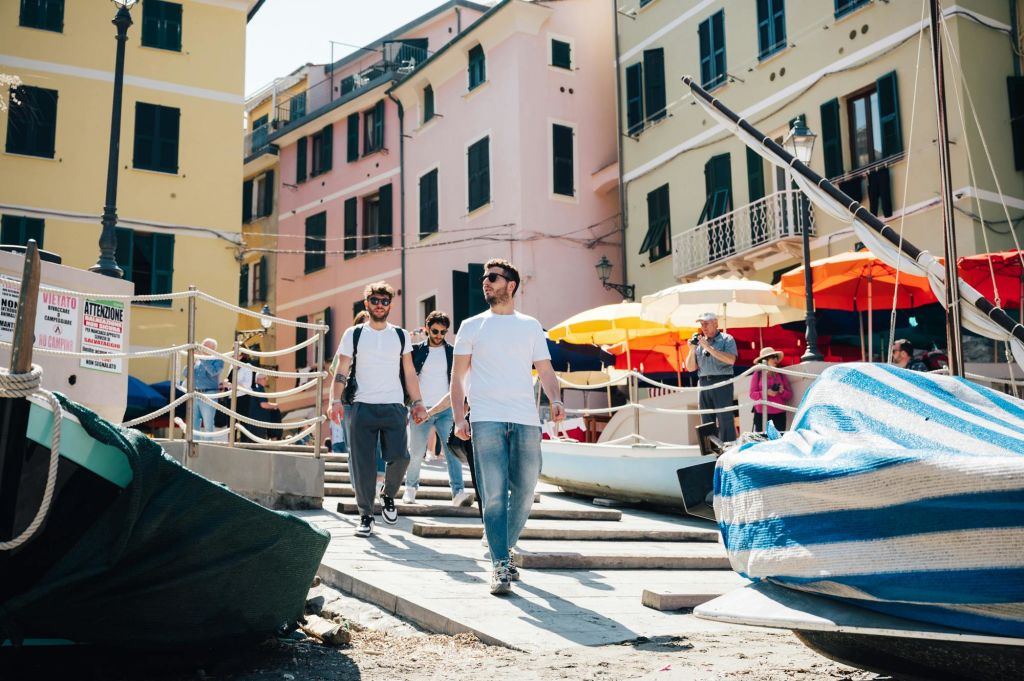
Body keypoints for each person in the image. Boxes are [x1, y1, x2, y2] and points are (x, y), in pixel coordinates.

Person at [451, 258, 565, 596]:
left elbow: (545, 370)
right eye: (485, 278)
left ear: (511, 285)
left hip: (526, 418)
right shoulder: (471, 326)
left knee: (527, 490)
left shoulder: (530, 325)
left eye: (493, 278)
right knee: (495, 493)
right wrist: (460, 417)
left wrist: (555, 399)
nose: (486, 282)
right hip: (486, 418)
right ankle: (500, 562)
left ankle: (501, 543)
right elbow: (457, 378)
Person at [329, 282, 427, 538]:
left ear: (390, 305)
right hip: (362, 406)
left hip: (394, 406)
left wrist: (417, 402)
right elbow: (341, 370)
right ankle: (365, 515)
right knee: (363, 465)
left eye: (385, 301)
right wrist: (335, 400)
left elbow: (409, 372)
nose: (380, 305)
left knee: (401, 456)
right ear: (367, 304)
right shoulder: (354, 334)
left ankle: (388, 495)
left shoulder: (400, 335)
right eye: (375, 300)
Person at [404, 311, 471, 506]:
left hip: (446, 410)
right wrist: (411, 403)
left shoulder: (452, 352)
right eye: (435, 331)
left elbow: (459, 381)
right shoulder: (416, 351)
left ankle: (458, 493)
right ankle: (410, 488)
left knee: (451, 451)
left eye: (443, 332)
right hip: (421, 409)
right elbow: (407, 376)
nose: (439, 335)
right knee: (416, 451)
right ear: (427, 329)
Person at [684, 312, 737, 443]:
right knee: (706, 420)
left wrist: (708, 348)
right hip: (703, 383)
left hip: (722, 382)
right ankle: (709, 451)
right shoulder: (699, 343)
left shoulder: (727, 339)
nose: (704, 327)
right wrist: (691, 349)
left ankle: (727, 449)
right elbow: (690, 368)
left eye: (706, 323)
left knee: (725, 418)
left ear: (715, 323)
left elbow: (731, 360)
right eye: (702, 324)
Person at [749, 347, 793, 433]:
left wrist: (782, 392)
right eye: (773, 357)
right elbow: (752, 394)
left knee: (778, 440)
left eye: (776, 357)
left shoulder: (781, 374)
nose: (776, 359)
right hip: (761, 413)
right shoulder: (757, 374)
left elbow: (789, 395)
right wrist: (766, 393)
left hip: (779, 413)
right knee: (762, 441)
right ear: (764, 360)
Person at [190, 338, 224, 433]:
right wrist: (192, 362)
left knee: (208, 424)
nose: (201, 347)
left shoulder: (218, 359)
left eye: (204, 346)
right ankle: (194, 446)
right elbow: (186, 373)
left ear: (213, 349)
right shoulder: (198, 360)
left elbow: (213, 372)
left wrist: (202, 359)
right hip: (195, 394)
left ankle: (208, 446)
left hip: (209, 394)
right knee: (194, 424)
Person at [248, 373, 282, 440]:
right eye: (265, 379)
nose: (266, 381)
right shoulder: (259, 388)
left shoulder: (252, 388)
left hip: (251, 421)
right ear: (260, 379)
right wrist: (275, 405)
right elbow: (263, 404)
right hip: (259, 422)